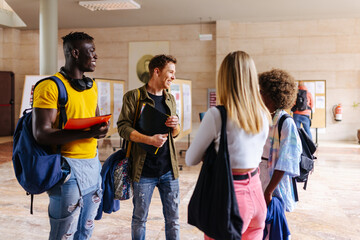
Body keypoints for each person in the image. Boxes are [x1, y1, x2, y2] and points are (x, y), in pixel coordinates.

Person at [185, 51, 271, 240]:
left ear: (223, 79)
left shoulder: (217, 115)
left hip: (230, 196)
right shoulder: (263, 114)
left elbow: (190, 159)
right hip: (256, 191)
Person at [32, 32, 109, 239]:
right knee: (63, 234)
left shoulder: (91, 86)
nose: (96, 56)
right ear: (75, 53)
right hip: (67, 170)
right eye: (91, 51)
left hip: (92, 165)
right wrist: (87, 132)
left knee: (85, 230)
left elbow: (95, 122)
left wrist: (100, 130)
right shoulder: (50, 86)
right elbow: (42, 133)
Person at [117, 54, 181, 240]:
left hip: (169, 170)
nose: (173, 77)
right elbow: (122, 128)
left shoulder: (170, 99)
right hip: (143, 171)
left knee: (173, 220)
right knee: (139, 219)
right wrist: (149, 140)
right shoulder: (134, 97)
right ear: (156, 71)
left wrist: (175, 125)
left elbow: (175, 134)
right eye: (170, 72)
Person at [258, 69, 302, 215]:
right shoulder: (264, 117)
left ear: (272, 95)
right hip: (259, 176)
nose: (259, 95)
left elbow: (286, 161)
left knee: (272, 222)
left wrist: (269, 191)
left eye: (262, 91)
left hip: (274, 182)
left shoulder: (285, 122)